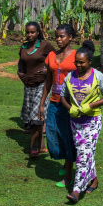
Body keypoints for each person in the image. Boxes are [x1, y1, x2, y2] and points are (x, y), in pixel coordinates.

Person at [60, 40, 103, 203]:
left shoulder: (98, 76)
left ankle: (76, 190)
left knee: (83, 154)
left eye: (82, 62)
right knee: (85, 152)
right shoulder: (70, 77)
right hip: (75, 121)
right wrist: (70, 108)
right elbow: (63, 96)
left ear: (90, 61)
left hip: (92, 120)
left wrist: (90, 106)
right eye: (76, 62)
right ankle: (94, 180)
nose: (78, 65)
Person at [38, 24, 77, 187]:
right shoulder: (52, 55)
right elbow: (48, 80)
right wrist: (42, 103)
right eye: (57, 36)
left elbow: (88, 73)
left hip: (69, 104)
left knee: (67, 137)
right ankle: (66, 161)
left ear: (70, 37)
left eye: (62, 36)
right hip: (54, 102)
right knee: (52, 137)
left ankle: (68, 175)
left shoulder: (76, 55)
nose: (59, 39)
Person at [17, 22, 55, 157]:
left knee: (35, 116)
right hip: (28, 85)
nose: (29, 35)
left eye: (32, 32)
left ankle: (33, 148)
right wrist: (20, 74)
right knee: (32, 116)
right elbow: (21, 63)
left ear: (38, 32)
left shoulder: (45, 46)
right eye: (27, 32)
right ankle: (42, 146)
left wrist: (46, 71)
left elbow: (56, 60)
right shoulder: (24, 47)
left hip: (42, 85)